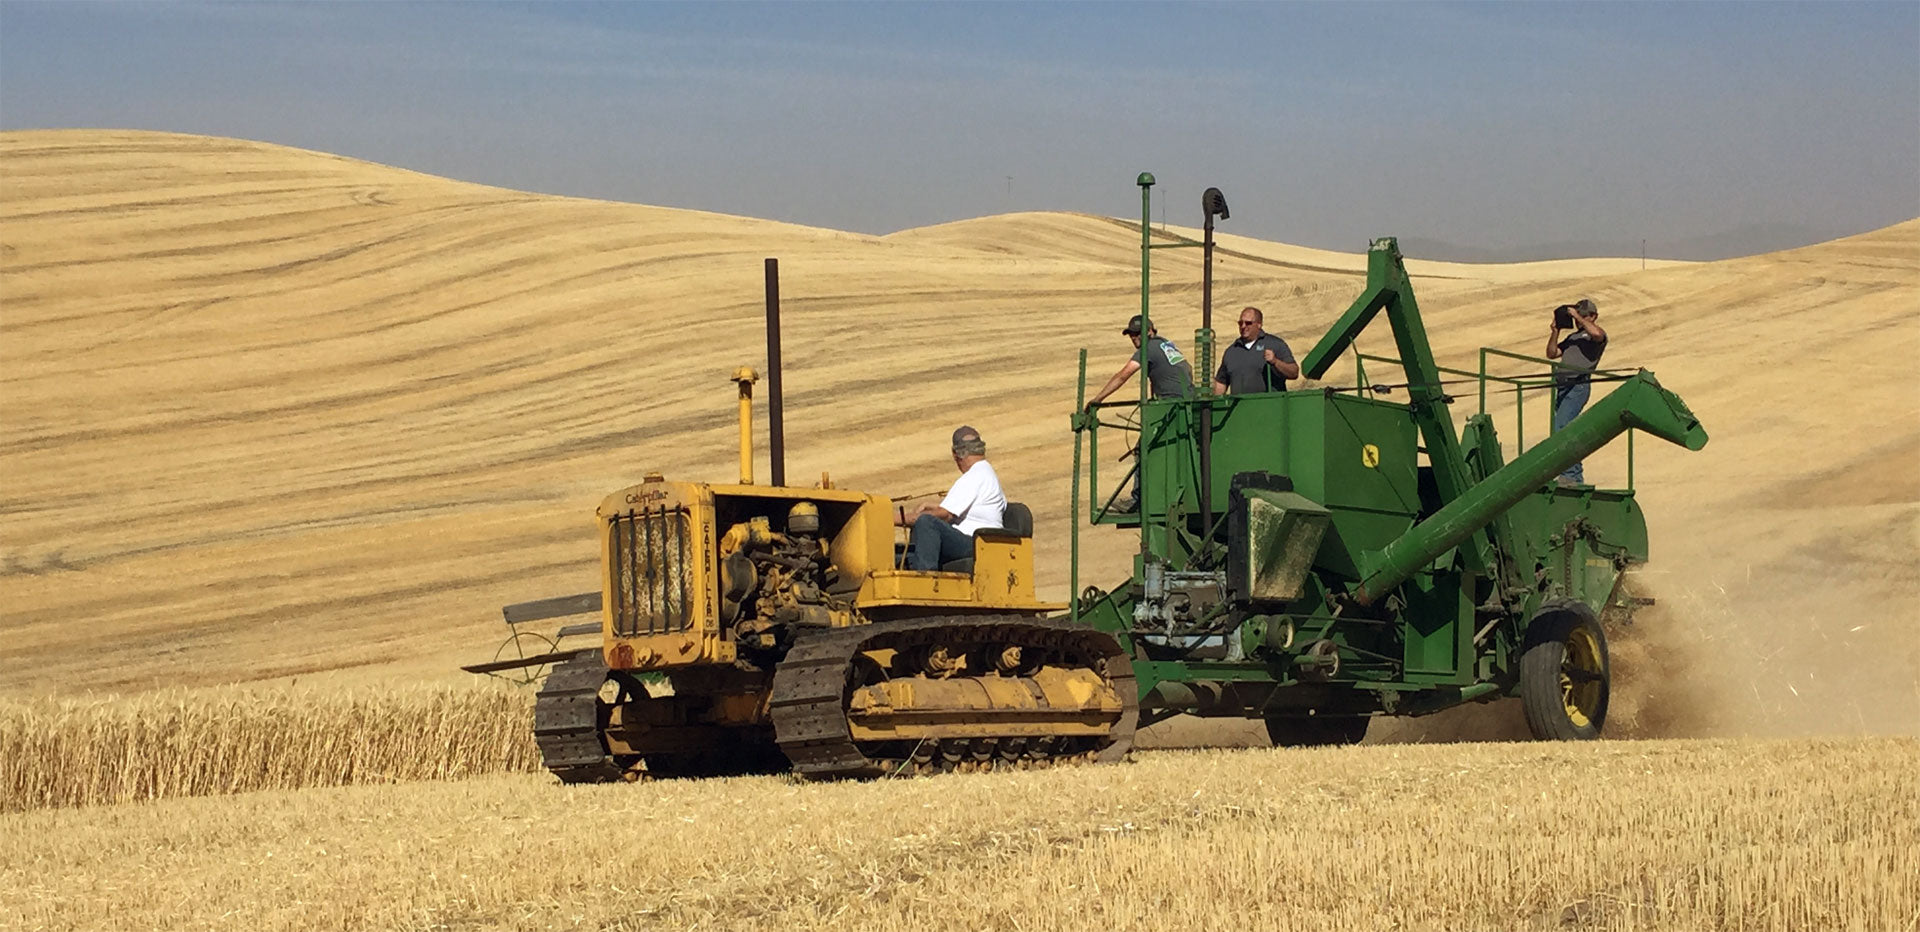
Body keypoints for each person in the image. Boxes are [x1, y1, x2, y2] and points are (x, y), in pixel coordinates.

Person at [895, 426, 1007, 571]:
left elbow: (945, 515)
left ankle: (925, 581)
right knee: (899, 553)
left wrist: (890, 518)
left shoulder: (975, 476)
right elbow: (971, 509)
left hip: (976, 543)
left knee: (926, 522)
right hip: (975, 542)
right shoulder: (986, 473)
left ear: (956, 454)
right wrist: (933, 506)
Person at [1546, 297, 1608, 486]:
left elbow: (1598, 335)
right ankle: (1570, 474)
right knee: (1561, 429)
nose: (1576, 319)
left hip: (1578, 385)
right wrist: (1555, 331)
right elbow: (1552, 353)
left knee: (1564, 428)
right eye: (1575, 316)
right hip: (1563, 386)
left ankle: (1572, 477)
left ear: (1593, 316)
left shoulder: (1594, 335)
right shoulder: (1573, 337)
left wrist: (1579, 319)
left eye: (1582, 315)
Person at [1085, 314, 1193, 407]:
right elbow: (1188, 368)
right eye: (1131, 334)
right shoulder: (1165, 344)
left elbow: (1123, 375)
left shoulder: (1148, 348)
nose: (1133, 337)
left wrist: (1098, 399)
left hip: (1173, 404)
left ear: (1149, 331)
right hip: (1190, 399)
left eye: (1137, 333)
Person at [1212, 306, 1298, 394]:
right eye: (1240, 323)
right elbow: (1221, 382)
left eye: (1248, 323)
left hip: (1270, 405)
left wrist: (1275, 362)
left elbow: (1294, 372)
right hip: (1240, 406)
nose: (1243, 326)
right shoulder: (1231, 351)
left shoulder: (1275, 344)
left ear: (1259, 324)